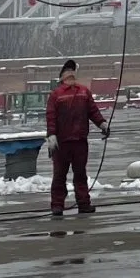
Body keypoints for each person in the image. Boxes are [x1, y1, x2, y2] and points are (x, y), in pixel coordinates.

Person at [45, 59, 108, 217]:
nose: (71, 77)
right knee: (61, 175)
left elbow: (93, 111)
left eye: (72, 74)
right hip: (63, 142)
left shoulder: (82, 92)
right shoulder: (57, 95)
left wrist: (102, 124)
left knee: (79, 174)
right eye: (69, 75)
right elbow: (51, 117)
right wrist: (51, 136)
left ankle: (81, 204)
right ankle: (59, 205)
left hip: (78, 141)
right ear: (63, 78)